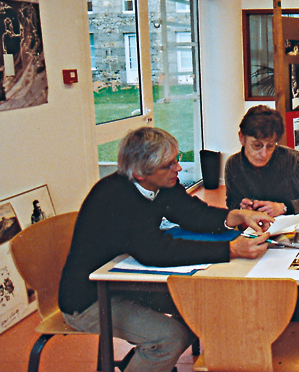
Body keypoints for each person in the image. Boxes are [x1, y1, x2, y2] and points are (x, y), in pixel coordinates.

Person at [59, 127, 273, 372]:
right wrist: (230, 249)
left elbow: (192, 214)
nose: (178, 169)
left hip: (123, 283)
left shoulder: (161, 183)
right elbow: (155, 251)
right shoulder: (114, 197)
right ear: (140, 172)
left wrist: (235, 216)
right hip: (89, 300)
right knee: (169, 338)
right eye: (168, 165)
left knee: (203, 305)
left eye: (176, 160)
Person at [224, 105, 299, 215]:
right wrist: (241, 207)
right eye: (257, 145)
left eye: (270, 146)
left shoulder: (292, 159)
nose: (264, 154)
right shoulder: (232, 164)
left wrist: (284, 207)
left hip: (290, 227)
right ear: (242, 138)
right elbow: (231, 201)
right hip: (254, 229)